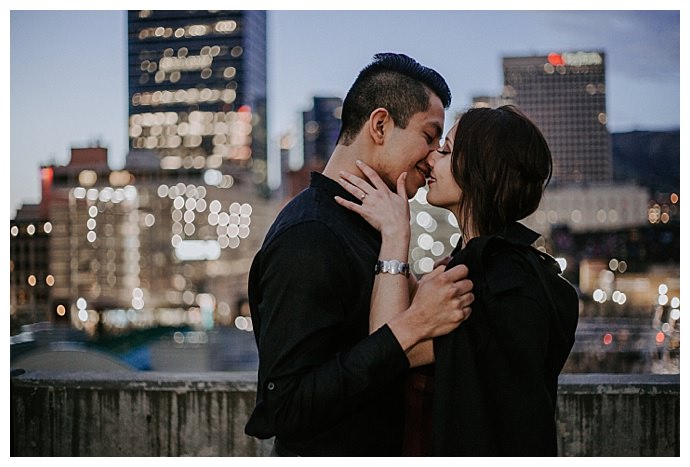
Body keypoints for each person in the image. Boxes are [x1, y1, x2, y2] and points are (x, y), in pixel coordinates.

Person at [245, 53, 475, 456]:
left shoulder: (370, 225)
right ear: (381, 125)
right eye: (429, 136)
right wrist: (413, 324)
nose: (434, 155)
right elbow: (287, 406)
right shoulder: (310, 235)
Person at [337, 105, 579, 456]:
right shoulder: (496, 267)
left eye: (447, 150)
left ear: (478, 169)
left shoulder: (492, 283)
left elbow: (386, 350)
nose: (433, 158)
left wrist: (395, 234)